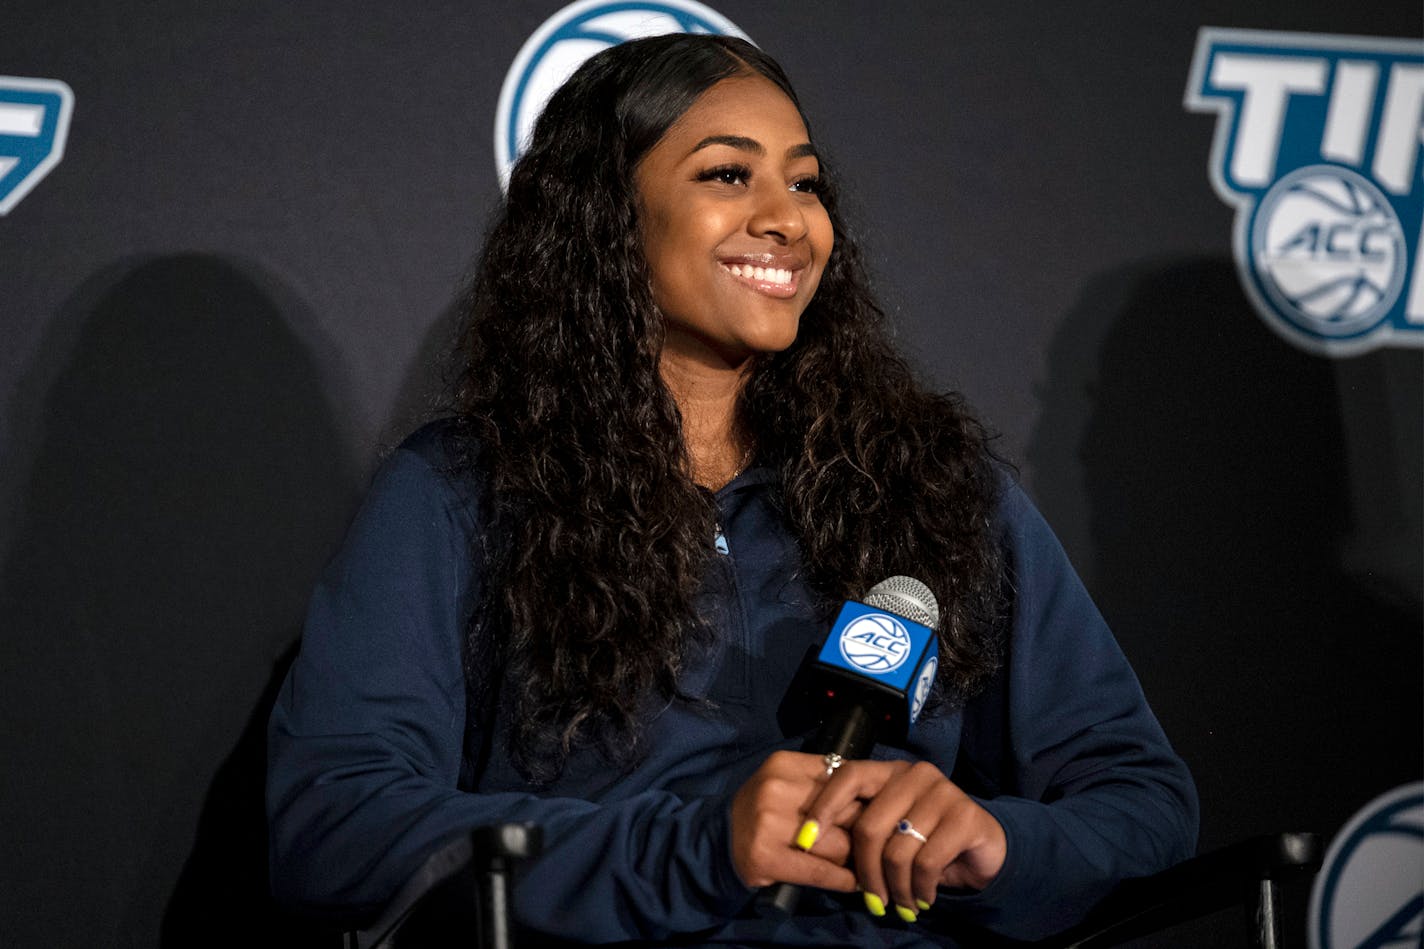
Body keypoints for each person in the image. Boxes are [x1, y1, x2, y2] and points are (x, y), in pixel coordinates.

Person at [266, 33, 1197, 947]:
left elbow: (1140, 800)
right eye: (727, 175)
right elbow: (336, 822)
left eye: (804, 181)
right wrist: (697, 846)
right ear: (607, 215)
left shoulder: (939, 488)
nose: (789, 219)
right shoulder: (462, 491)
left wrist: (997, 842)